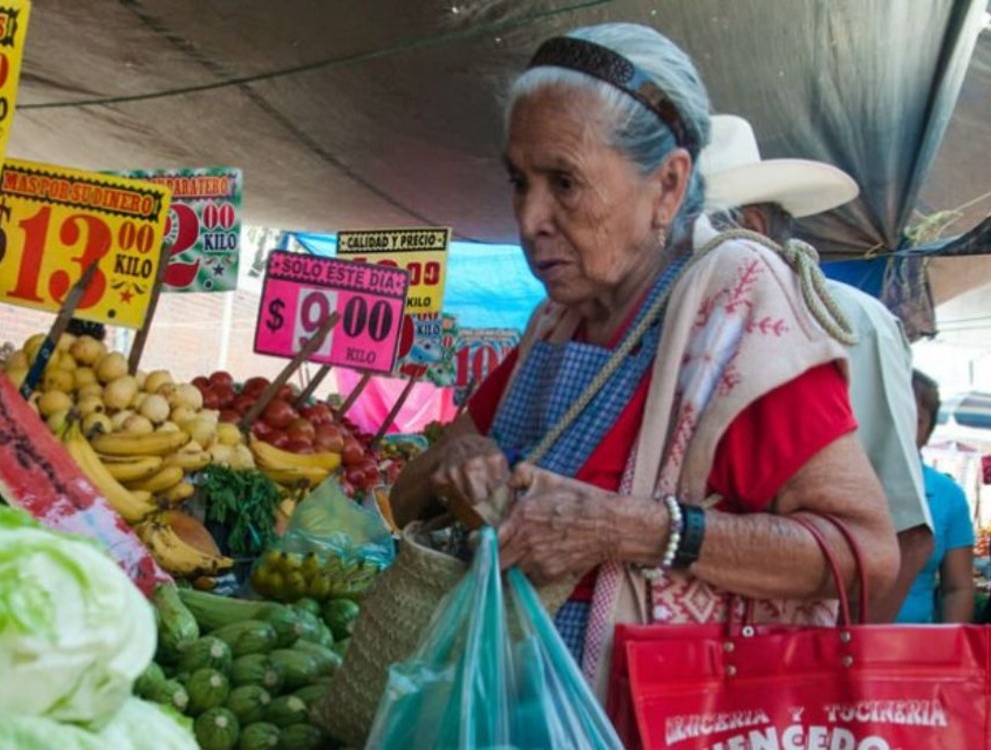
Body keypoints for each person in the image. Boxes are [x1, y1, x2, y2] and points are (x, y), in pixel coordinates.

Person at [390, 23, 898, 698]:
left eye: (564, 182)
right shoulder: (555, 325)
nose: (529, 217)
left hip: (657, 718)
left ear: (667, 185)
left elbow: (866, 554)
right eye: (520, 181)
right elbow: (403, 496)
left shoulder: (734, 308)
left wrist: (630, 527)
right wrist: (455, 461)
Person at [699, 114, 934, 623]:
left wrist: (841, 675)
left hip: (799, 661)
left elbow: (904, 531)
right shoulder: (689, 330)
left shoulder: (849, 320)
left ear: (753, 228)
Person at [896, 370, 976, 623]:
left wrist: (950, 650)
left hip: (916, 648)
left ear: (929, 428)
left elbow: (957, 588)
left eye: (916, 419)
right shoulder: (846, 484)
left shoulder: (947, 495)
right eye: (898, 413)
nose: (905, 427)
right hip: (839, 644)